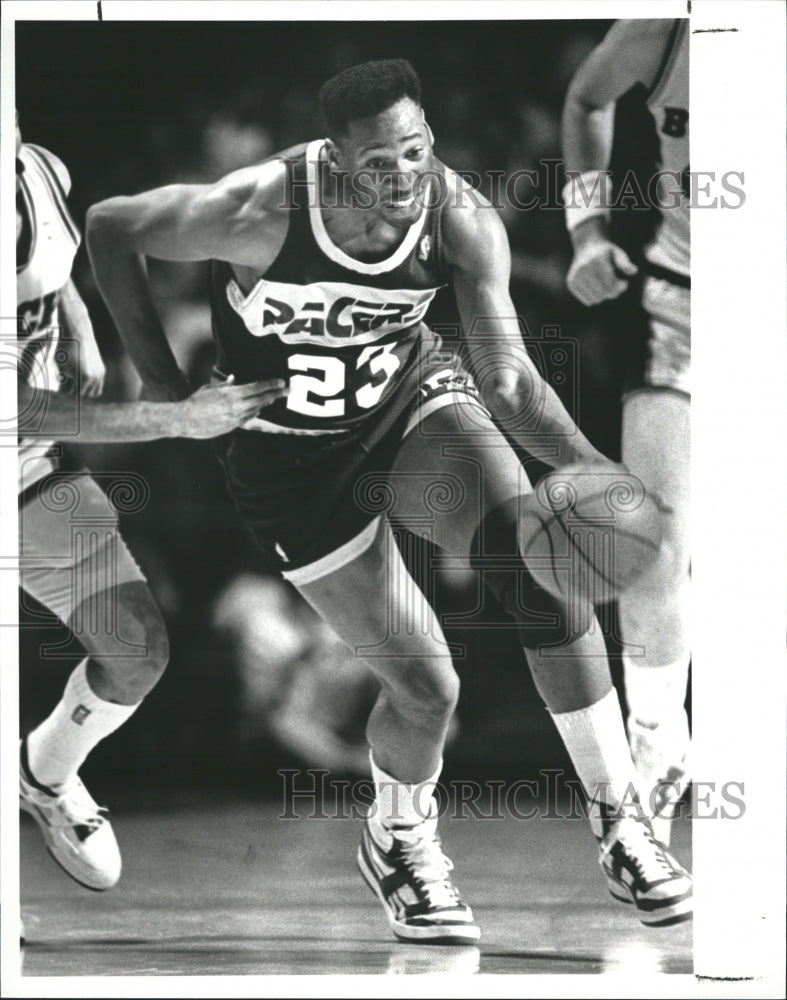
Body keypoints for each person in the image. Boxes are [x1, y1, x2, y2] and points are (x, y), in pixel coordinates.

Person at [86, 59, 692, 942]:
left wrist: (598, 471)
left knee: (536, 568)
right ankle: (400, 837)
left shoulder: (458, 217)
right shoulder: (256, 210)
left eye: (415, 150)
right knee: (425, 687)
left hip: (408, 411)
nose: (403, 175)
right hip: (286, 458)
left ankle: (620, 821)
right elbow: (111, 228)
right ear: (334, 160)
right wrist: (165, 386)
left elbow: (511, 380)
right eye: (379, 162)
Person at [15, 116, 286, 896]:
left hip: (27, 471)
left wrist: (72, 316)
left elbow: (56, 260)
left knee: (135, 647)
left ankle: (45, 772)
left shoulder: (39, 166)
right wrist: (174, 416)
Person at [561, 19, 691, 842]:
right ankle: (656, 745)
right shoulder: (663, 27)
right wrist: (584, 230)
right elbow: (585, 96)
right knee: (650, 546)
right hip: (684, 300)